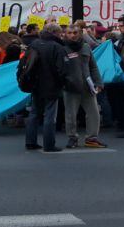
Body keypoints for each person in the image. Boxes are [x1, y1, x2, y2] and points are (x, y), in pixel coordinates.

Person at [25, 23, 68, 152]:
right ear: (55, 33)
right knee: (49, 115)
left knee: (34, 113)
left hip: (36, 84)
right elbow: (62, 69)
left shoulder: (34, 44)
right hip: (52, 85)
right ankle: (49, 144)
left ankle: (30, 142)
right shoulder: (57, 47)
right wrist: (62, 82)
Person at [62, 25, 107, 149]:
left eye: (75, 32)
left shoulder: (86, 46)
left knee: (94, 113)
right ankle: (72, 137)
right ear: (66, 34)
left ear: (80, 33)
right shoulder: (62, 48)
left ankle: (92, 138)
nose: (72, 35)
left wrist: (98, 83)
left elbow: (93, 66)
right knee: (71, 114)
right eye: (70, 33)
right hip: (71, 87)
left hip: (88, 86)